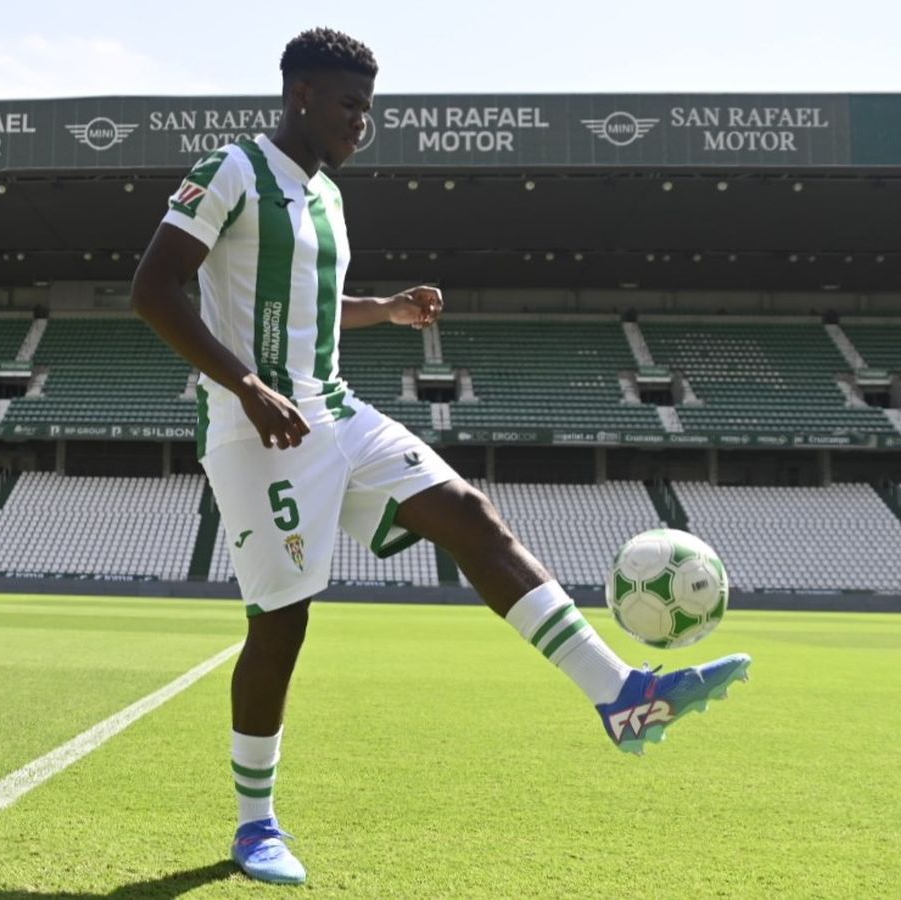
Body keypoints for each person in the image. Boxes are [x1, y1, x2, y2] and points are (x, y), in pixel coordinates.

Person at [130, 27, 751, 886]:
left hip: (335, 411)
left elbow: (307, 305)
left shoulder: (326, 200)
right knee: (283, 624)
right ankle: (254, 824)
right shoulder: (232, 170)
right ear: (301, 92)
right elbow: (152, 289)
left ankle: (621, 696)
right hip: (257, 430)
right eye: (350, 105)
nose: (363, 123)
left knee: (469, 514)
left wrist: (383, 309)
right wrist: (245, 386)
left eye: (369, 110)